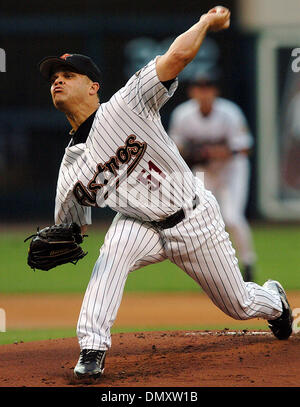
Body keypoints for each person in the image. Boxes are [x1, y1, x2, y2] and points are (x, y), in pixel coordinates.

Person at [38, 6, 293, 380]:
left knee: (238, 304)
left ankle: (274, 300)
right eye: (54, 77)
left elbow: (177, 56)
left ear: (93, 86)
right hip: (139, 224)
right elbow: (70, 227)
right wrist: (67, 235)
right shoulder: (70, 168)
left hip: (192, 216)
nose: (57, 81)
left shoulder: (128, 104)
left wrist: (205, 22)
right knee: (111, 257)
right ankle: (92, 348)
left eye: (68, 74)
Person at [168, 72, 256, 282]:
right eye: (199, 88)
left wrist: (209, 151)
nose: (204, 93)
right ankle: (213, 270)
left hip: (232, 170)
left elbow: (244, 148)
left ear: (215, 91)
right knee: (199, 219)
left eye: (208, 88)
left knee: (232, 217)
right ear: (193, 92)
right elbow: (174, 147)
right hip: (204, 171)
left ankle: (248, 263)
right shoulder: (183, 114)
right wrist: (195, 153)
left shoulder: (229, 112)